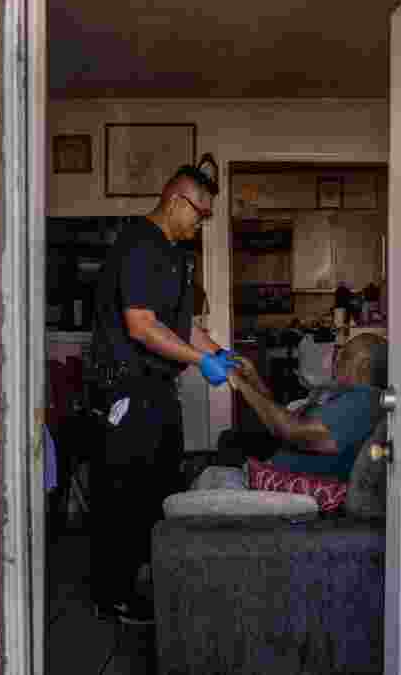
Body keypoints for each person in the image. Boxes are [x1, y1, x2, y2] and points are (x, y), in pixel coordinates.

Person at [89, 155, 240, 625]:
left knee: (161, 489)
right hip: (127, 390)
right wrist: (202, 362)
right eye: (201, 213)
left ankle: (153, 585)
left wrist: (225, 354)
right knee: (125, 495)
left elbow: (182, 327)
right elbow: (140, 326)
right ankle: (112, 597)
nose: (204, 223)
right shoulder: (139, 244)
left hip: (159, 392)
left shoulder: (175, 254)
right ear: (176, 201)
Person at [214, 333, 388, 483]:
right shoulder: (345, 395)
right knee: (230, 441)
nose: (336, 361)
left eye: (345, 356)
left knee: (230, 446)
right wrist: (252, 378)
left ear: (364, 365)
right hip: (280, 457)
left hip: (288, 480)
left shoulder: (363, 399)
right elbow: (285, 419)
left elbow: (291, 430)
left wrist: (243, 386)